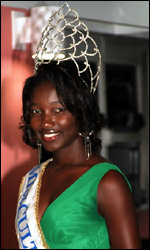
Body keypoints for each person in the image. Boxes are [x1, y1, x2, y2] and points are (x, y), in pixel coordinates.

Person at [15, 2, 141, 249]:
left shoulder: (107, 182)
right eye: (36, 111)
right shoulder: (33, 177)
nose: (46, 121)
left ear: (81, 113)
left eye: (59, 109)